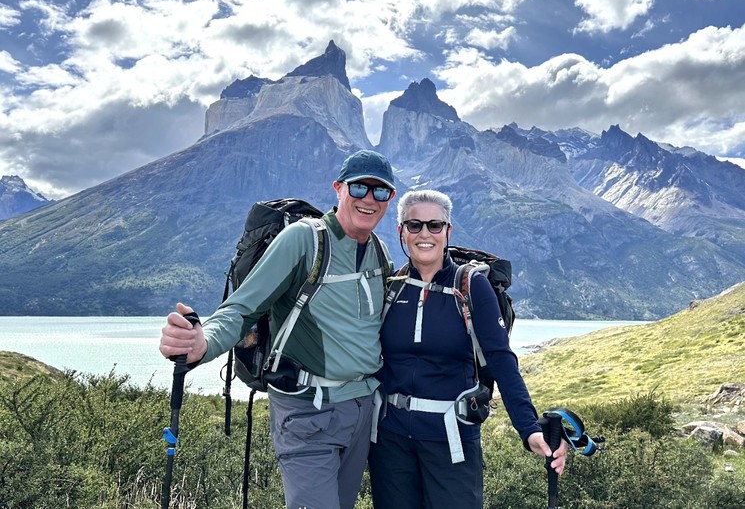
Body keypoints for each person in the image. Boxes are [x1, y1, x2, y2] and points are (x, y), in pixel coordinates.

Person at [159, 149, 396, 509]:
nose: (369, 199)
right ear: (338, 188)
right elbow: (242, 308)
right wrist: (203, 342)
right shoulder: (304, 240)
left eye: (380, 192)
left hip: (361, 412)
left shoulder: (379, 251)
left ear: (390, 199)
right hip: (307, 414)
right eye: (359, 188)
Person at [368, 189, 567, 509]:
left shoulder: (471, 286)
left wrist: (528, 428)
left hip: (452, 439)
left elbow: (502, 360)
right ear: (401, 231)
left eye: (435, 225)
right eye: (414, 225)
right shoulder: (393, 287)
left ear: (448, 231)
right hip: (390, 443)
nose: (425, 234)